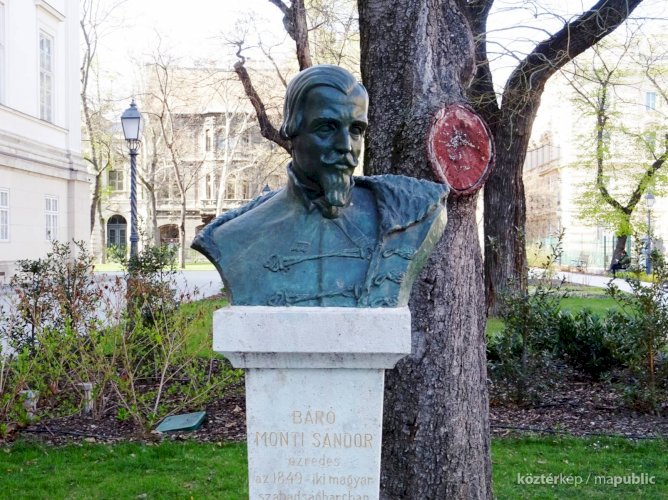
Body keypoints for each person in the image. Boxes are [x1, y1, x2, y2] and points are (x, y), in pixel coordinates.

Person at [192, 65, 448, 307]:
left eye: (356, 130)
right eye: (326, 127)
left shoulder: (414, 215)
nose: (346, 146)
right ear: (291, 131)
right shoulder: (233, 238)